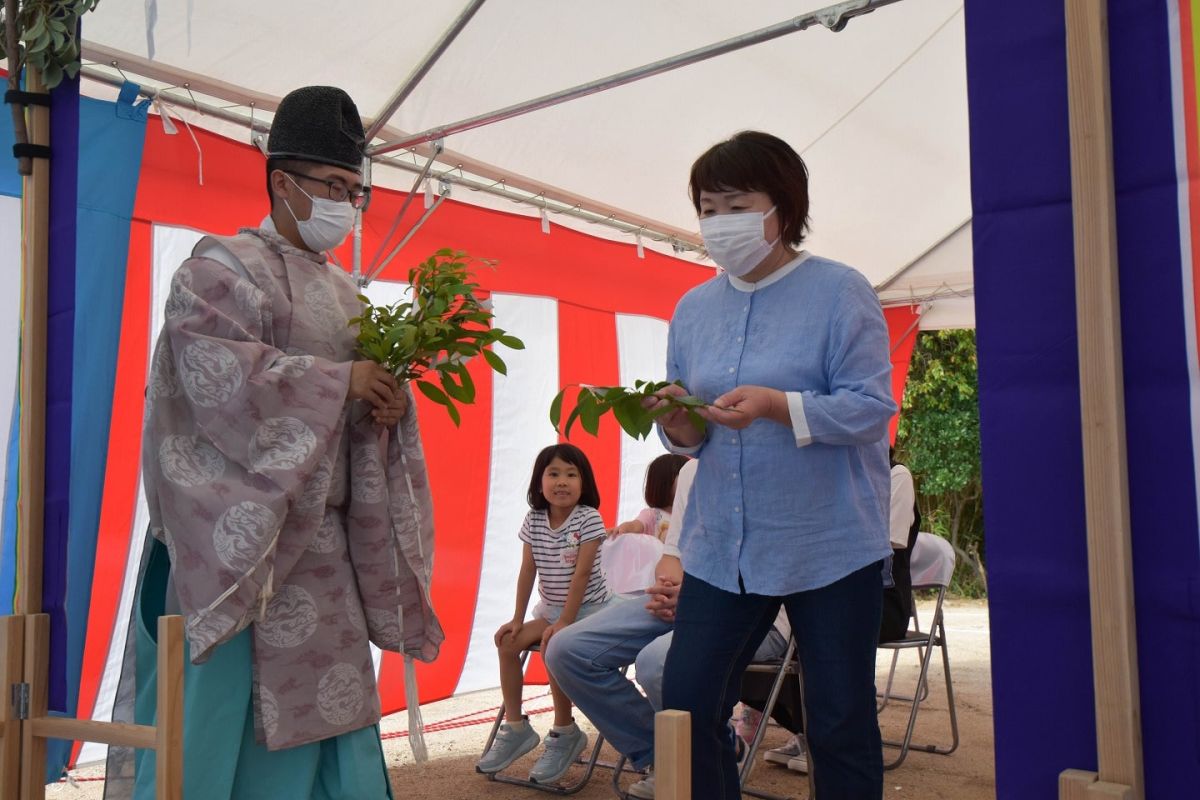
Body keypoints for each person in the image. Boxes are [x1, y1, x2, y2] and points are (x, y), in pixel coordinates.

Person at [111, 86, 443, 800]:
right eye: (332, 186)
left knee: (331, 725)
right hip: (231, 550)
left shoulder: (352, 295)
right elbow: (214, 380)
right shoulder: (219, 268)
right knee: (213, 738)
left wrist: (380, 404)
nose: (346, 205)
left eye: (355, 191)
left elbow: (352, 413)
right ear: (281, 182)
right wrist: (339, 383)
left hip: (322, 556)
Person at [649, 130, 897, 799]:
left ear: (783, 208)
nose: (719, 222)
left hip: (828, 541)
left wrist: (779, 406)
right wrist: (678, 424)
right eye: (708, 206)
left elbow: (872, 408)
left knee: (839, 715)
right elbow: (692, 433)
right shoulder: (693, 308)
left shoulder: (840, 291)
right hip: (720, 542)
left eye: (736, 204)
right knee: (687, 699)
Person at [743, 456, 922, 776]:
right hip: (831, 590)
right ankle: (804, 732)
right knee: (783, 632)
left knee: (814, 633)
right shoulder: (834, 478)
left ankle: (829, 739)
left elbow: (887, 542)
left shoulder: (897, 476)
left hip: (881, 599)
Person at [544, 458, 696, 800]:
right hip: (673, 595)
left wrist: (693, 595)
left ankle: (698, 756)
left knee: (656, 662)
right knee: (563, 650)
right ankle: (663, 754)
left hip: (729, 602)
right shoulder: (691, 474)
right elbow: (671, 554)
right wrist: (667, 585)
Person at [476, 443, 612, 785]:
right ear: (539, 482)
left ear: (585, 483)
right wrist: (518, 619)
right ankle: (517, 726)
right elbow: (527, 570)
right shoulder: (534, 519)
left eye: (571, 474)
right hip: (551, 611)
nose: (562, 482)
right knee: (508, 643)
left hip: (589, 612)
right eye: (553, 473)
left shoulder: (588, 518)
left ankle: (565, 731)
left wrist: (564, 623)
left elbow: (581, 576)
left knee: (554, 646)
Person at [608, 453, 689, 540]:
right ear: (664, 484)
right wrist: (624, 528)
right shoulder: (652, 515)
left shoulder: (690, 515)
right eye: (686, 477)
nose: (691, 483)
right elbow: (635, 525)